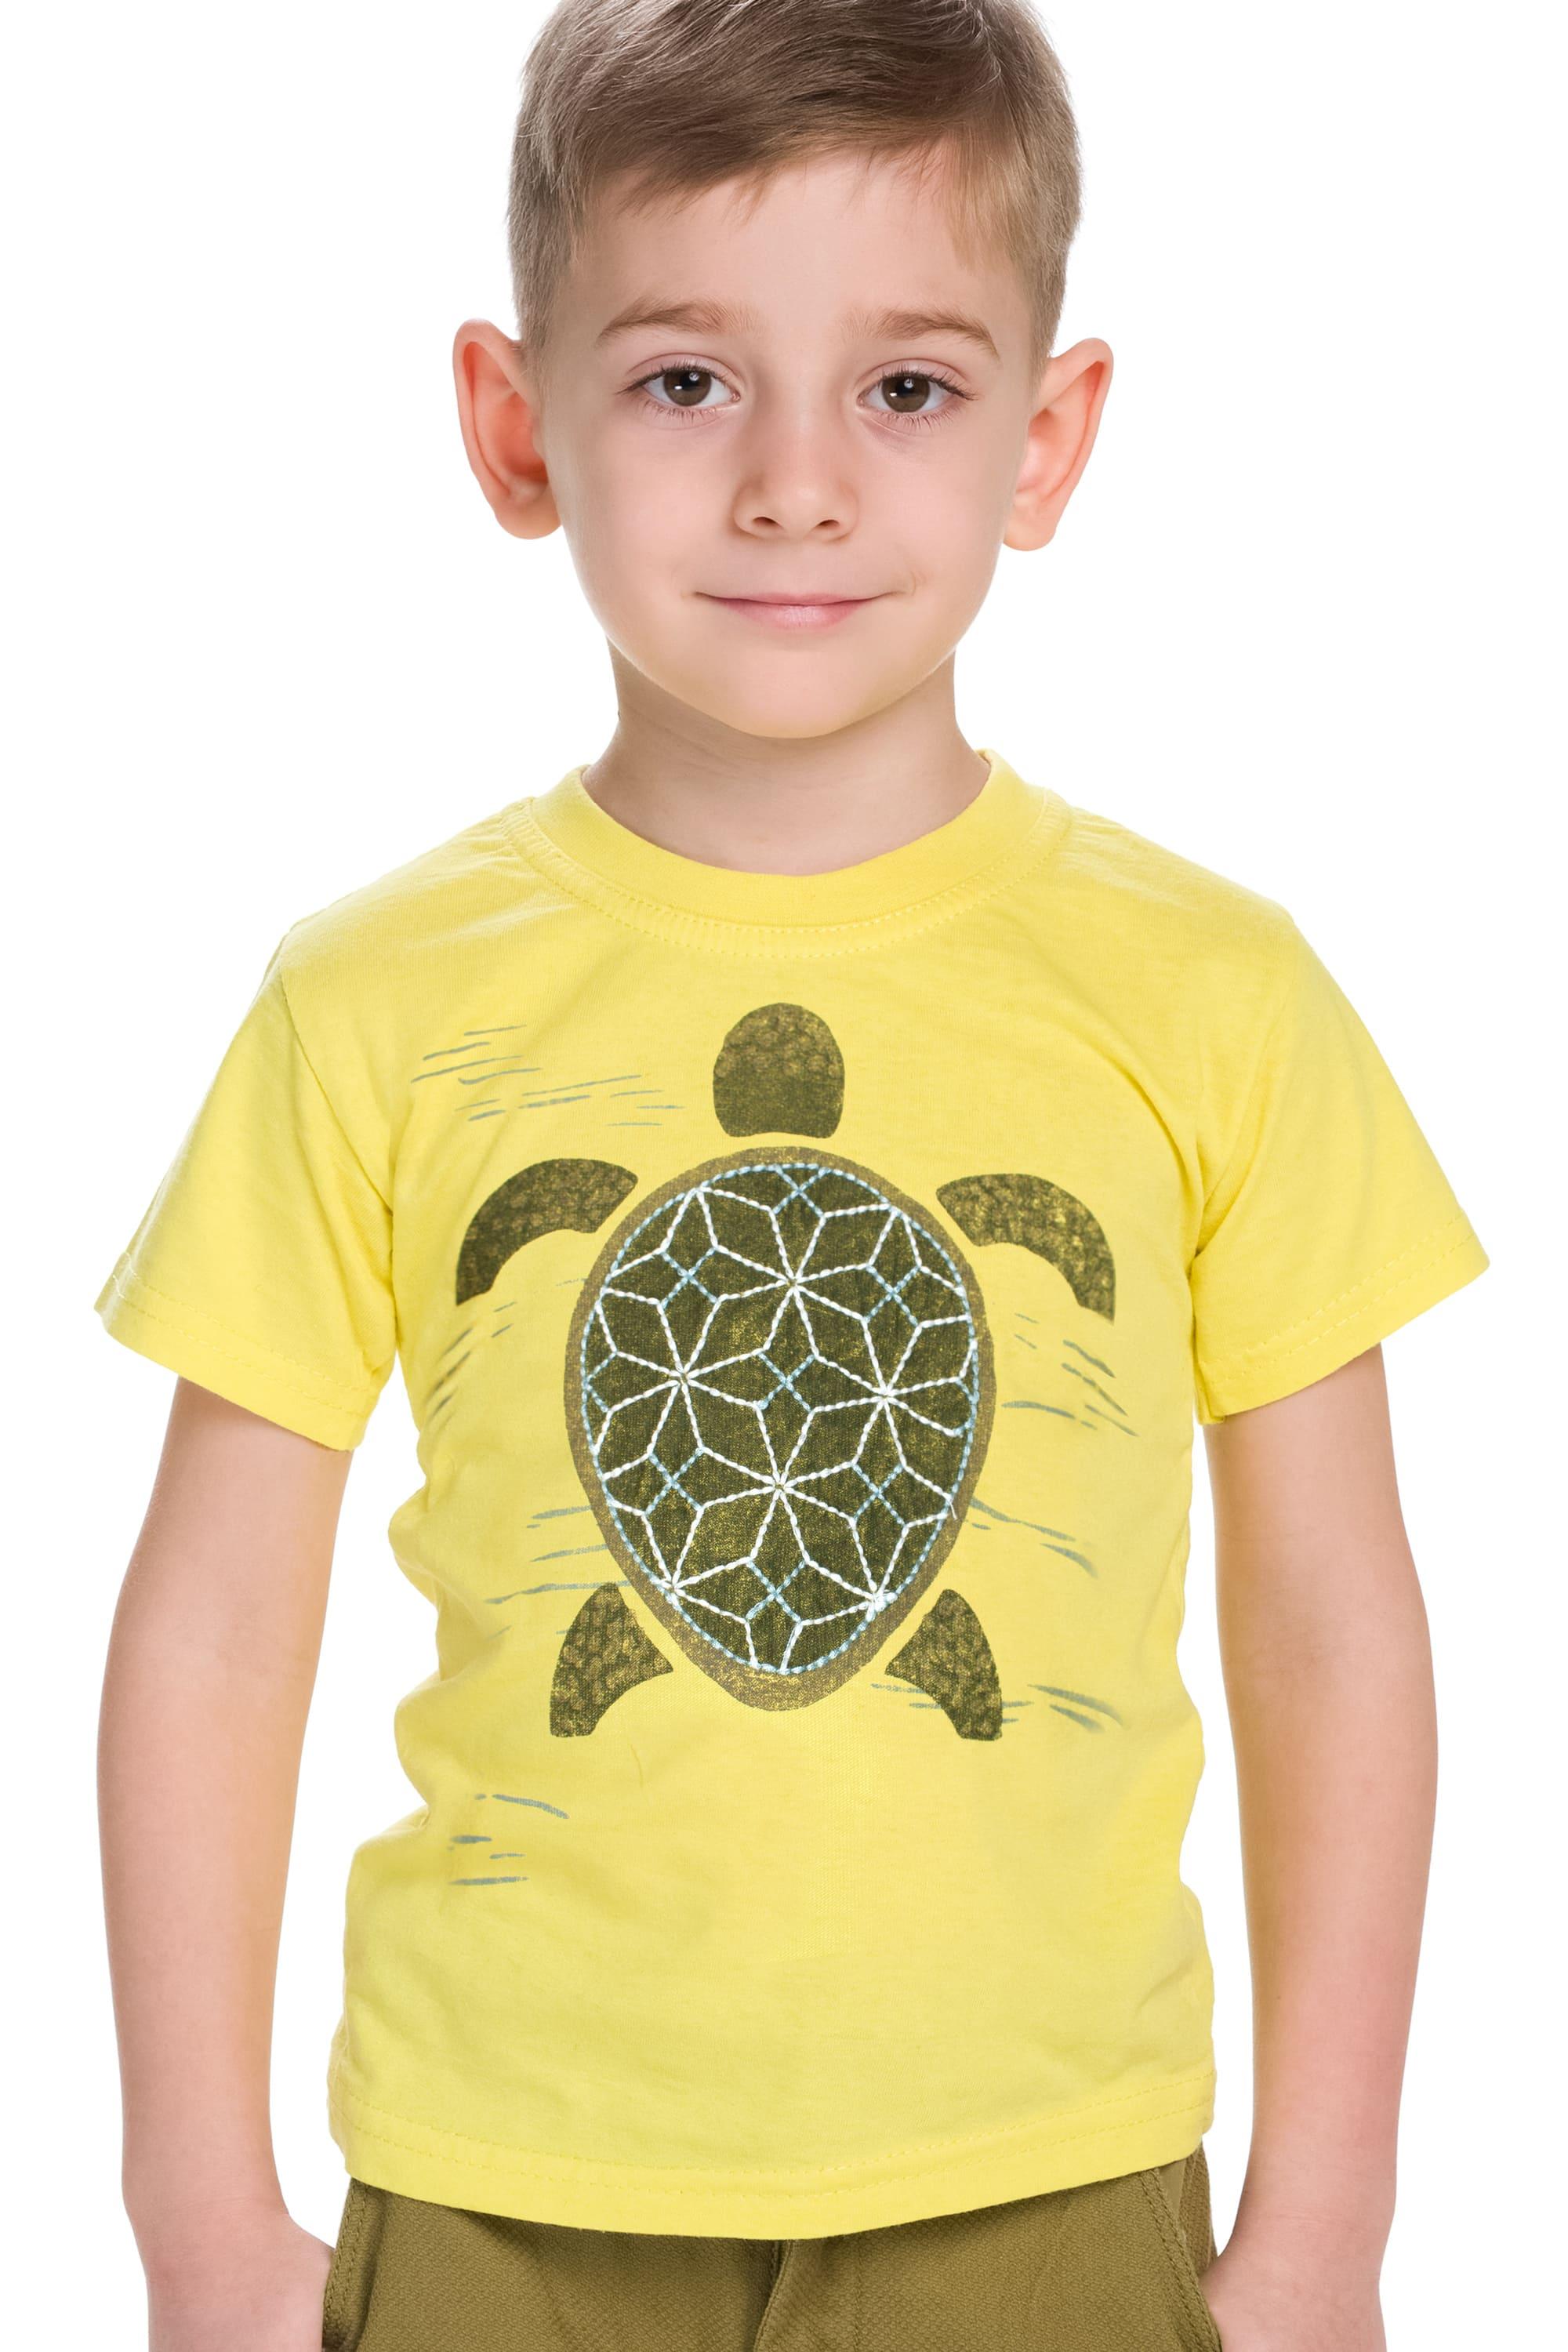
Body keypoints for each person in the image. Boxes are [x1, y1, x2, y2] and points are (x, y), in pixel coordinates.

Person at [93, 4, 1488, 2348]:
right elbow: (215, 1630)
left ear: (1050, 439)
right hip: (503, 2167)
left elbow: (1336, 1624)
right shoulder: (374, 1000)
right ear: (514, 428)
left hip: (1049, 2162)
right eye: (686, 380)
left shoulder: (1210, 992)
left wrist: (1326, 2227)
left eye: (907, 387)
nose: (796, 487)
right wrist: (197, 2218)